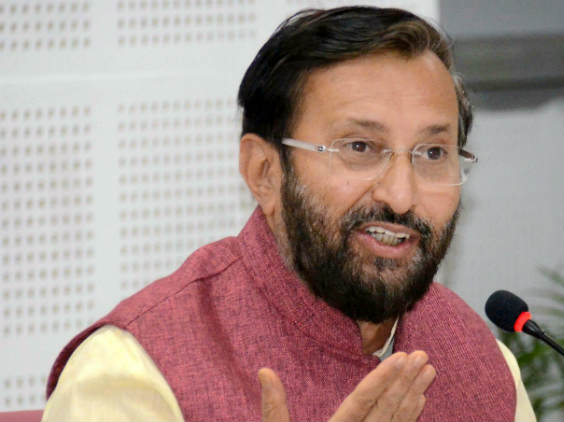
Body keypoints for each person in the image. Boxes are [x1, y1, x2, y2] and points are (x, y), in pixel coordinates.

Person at [42, 7, 535, 421]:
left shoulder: (481, 362)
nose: (402, 197)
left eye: (432, 153)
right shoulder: (133, 374)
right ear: (264, 172)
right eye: (360, 147)